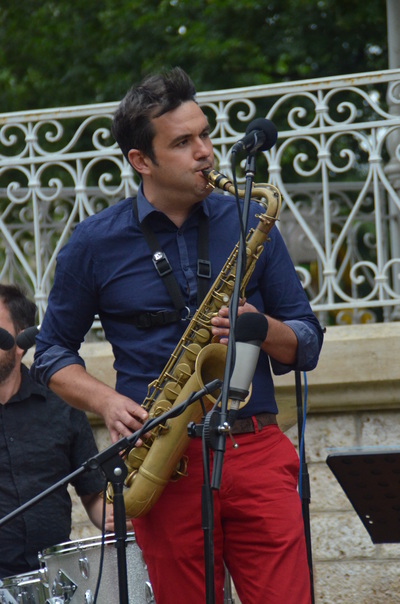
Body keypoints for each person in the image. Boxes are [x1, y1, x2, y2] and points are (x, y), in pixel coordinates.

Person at [31, 67, 324, 604]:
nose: (206, 152)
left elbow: (307, 341)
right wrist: (108, 402)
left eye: (205, 135)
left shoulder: (251, 217)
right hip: (166, 459)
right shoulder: (93, 243)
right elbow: (49, 353)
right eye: (184, 142)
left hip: (255, 448)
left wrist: (257, 326)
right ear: (140, 161)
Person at [0, 284, 110, 580]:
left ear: (20, 341)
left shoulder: (61, 403)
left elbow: (93, 495)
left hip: (57, 580)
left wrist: (119, 517)